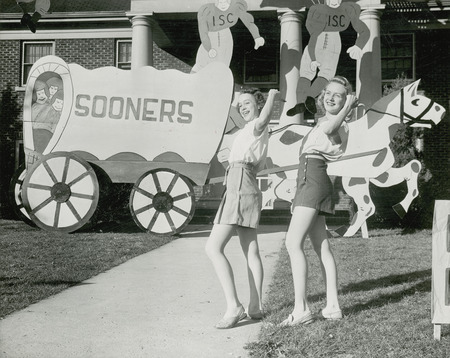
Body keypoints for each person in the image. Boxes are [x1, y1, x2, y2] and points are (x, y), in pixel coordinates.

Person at [280, 76, 358, 326]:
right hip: (310, 180)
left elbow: (330, 130)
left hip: (313, 180)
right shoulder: (327, 121)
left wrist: (348, 108)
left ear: (346, 101)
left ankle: (301, 309)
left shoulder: (340, 125)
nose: (331, 97)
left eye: (338, 95)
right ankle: (333, 306)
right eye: (328, 93)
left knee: (293, 243)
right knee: (321, 246)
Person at [205, 88, 280, 329]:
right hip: (244, 183)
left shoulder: (258, 124)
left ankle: (234, 306)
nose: (243, 108)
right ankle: (255, 307)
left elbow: (265, 117)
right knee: (251, 250)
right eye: (240, 106)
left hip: (240, 185)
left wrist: (271, 96)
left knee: (213, 247)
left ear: (258, 104)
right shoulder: (250, 130)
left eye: (247, 103)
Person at [286, 0, 368, 116]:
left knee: (324, 73)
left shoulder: (345, 9)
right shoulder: (318, 9)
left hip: (330, 42)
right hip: (318, 39)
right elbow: (308, 24)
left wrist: (359, 46)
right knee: (306, 72)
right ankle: (301, 103)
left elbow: (364, 30)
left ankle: (308, 98)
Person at [191, 0, 265, 73]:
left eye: (225, 2)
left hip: (226, 38)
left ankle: (219, 81)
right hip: (211, 37)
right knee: (201, 64)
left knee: (223, 66)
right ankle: (191, 80)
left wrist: (256, 36)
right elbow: (203, 32)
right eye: (220, 2)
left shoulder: (235, 6)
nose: (223, 5)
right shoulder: (207, 10)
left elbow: (248, 21)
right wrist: (208, 48)